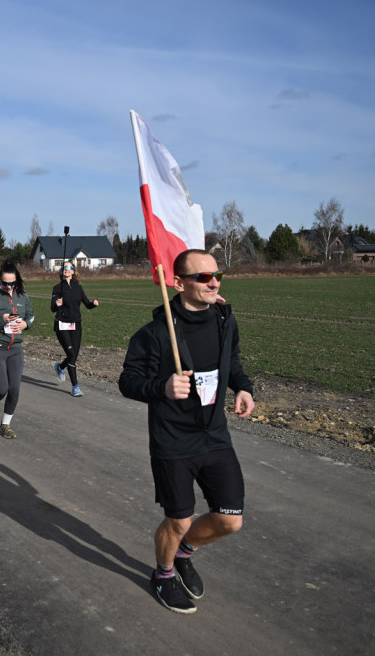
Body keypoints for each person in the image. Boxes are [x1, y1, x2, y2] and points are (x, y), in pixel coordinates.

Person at [118, 249, 254, 615]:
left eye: (217, 276)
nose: (214, 283)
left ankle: (183, 553)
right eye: (204, 277)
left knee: (230, 519)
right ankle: (162, 575)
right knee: (178, 519)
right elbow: (127, 382)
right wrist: (162, 387)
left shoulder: (225, 320)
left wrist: (243, 387)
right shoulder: (154, 334)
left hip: (215, 436)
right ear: (178, 283)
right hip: (172, 441)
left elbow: (233, 360)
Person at [0, 260, 35, 439]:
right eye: (5, 283)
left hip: (16, 349)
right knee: (1, 388)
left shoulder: (22, 296)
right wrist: (2, 320)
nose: (9, 287)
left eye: (12, 283)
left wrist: (25, 324)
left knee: (15, 389)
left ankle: (5, 425)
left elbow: (31, 316)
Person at [50, 262, 99, 397]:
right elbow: (52, 308)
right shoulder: (57, 288)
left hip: (76, 325)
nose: (66, 269)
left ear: (73, 271)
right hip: (62, 324)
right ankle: (75, 387)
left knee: (74, 356)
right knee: (71, 355)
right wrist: (56, 303)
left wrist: (93, 304)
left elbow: (87, 304)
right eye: (64, 268)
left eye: (69, 268)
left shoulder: (78, 288)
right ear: (61, 271)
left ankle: (60, 367)